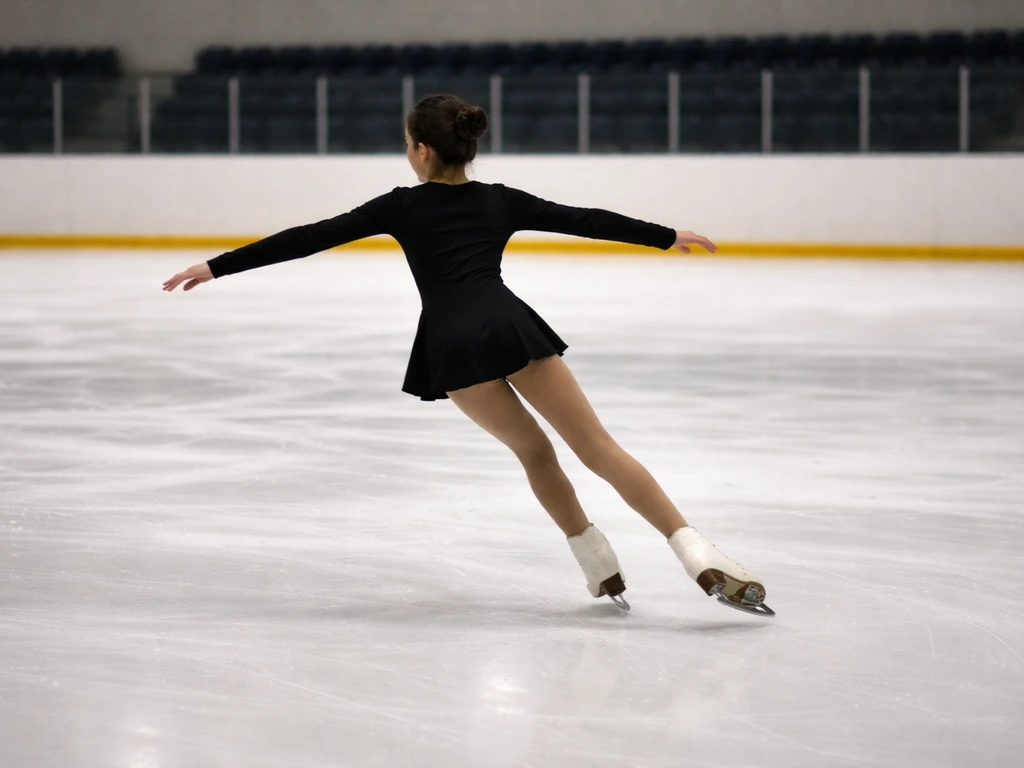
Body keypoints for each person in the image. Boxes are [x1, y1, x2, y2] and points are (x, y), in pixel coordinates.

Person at [162, 94, 773, 617]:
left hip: (450, 346)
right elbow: (581, 220)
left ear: (422, 150)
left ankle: (598, 564)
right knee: (598, 449)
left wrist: (217, 266)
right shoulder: (499, 200)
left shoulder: (399, 205)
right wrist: (664, 235)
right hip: (508, 328)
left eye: (408, 143)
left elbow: (307, 238)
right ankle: (697, 552)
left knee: (534, 453)